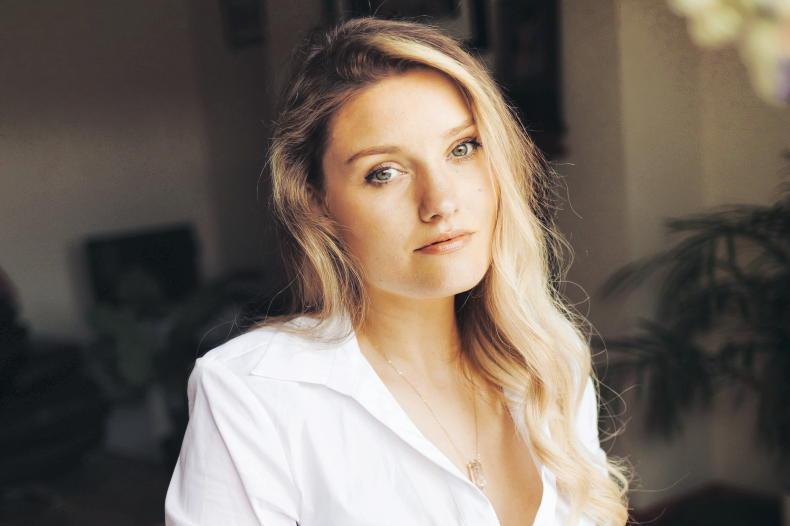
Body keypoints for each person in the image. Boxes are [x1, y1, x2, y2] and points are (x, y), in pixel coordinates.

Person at [164, 16, 630, 526]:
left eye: (462, 148)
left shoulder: (549, 363)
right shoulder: (251, 394)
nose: (441, 202)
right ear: (316, 202)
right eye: (384, 172)